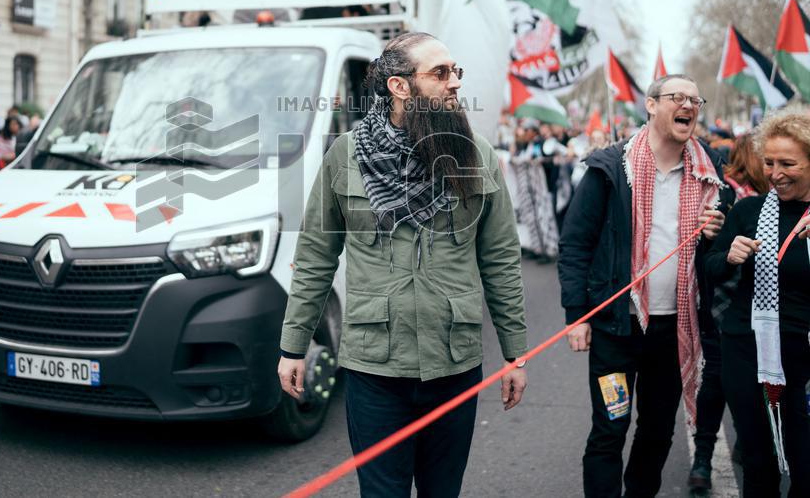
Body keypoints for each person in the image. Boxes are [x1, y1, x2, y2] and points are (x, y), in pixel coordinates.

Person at [278, 32, 529, 497]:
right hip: (375, 370)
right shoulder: (346, 156)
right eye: (440, 73)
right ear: (399, 86)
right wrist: (294, 346)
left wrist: (516, 354)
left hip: (454, 364)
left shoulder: (478, 157)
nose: (454, 82)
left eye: (456, 71)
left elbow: (500, 261)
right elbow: (315, 255)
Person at [558, 75, 730, 498]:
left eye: (695, 99)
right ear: (651, 106)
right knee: (609, 430)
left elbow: (715, 261)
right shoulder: (611, 168)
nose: (688, 105)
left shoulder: (709, 171)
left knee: (656, 432)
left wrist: (717, 237)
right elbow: (575, 244)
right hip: (618, 327)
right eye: (677, 97)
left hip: (674, 331)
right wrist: (576, 317)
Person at [703, 108, 810, 497]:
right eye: (769, 163)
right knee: (758, 460)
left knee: (805, 460)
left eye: (788, 164)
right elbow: (711, 267)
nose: (775, 173)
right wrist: (727, 254)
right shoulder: (749, 210)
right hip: (746, 348)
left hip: (802, 355)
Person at [688, 130, 771, 489]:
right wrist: (714, 237)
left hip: (765, 312)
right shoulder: (724, 194)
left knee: (757, 380)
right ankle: (703, 458)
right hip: (722, 305)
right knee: (718, 378)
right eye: (769, 159)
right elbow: (707, 257)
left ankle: (747, 440)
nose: (776, 168)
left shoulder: (783, 201)